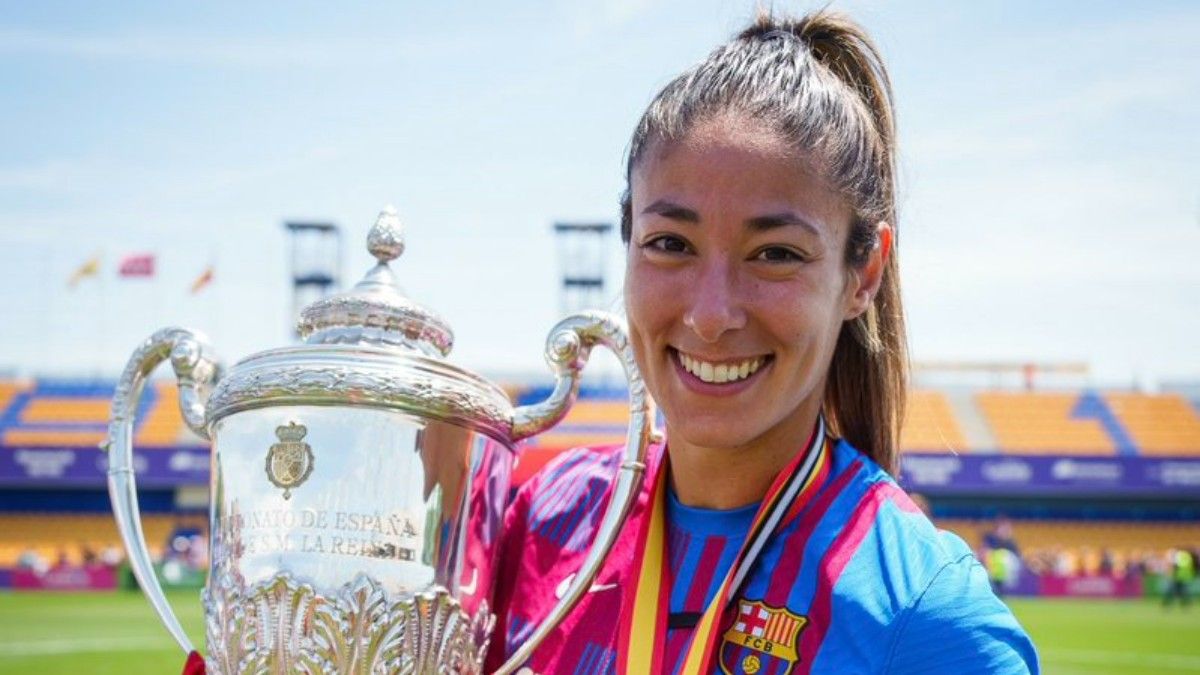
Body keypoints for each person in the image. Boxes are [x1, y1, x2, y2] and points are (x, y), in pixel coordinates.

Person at [485, 10, 1039, 674]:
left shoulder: (926, 618)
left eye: (774, 253)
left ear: (862, 273)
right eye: (670, 244)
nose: (712, 314)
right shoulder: (546, 517)